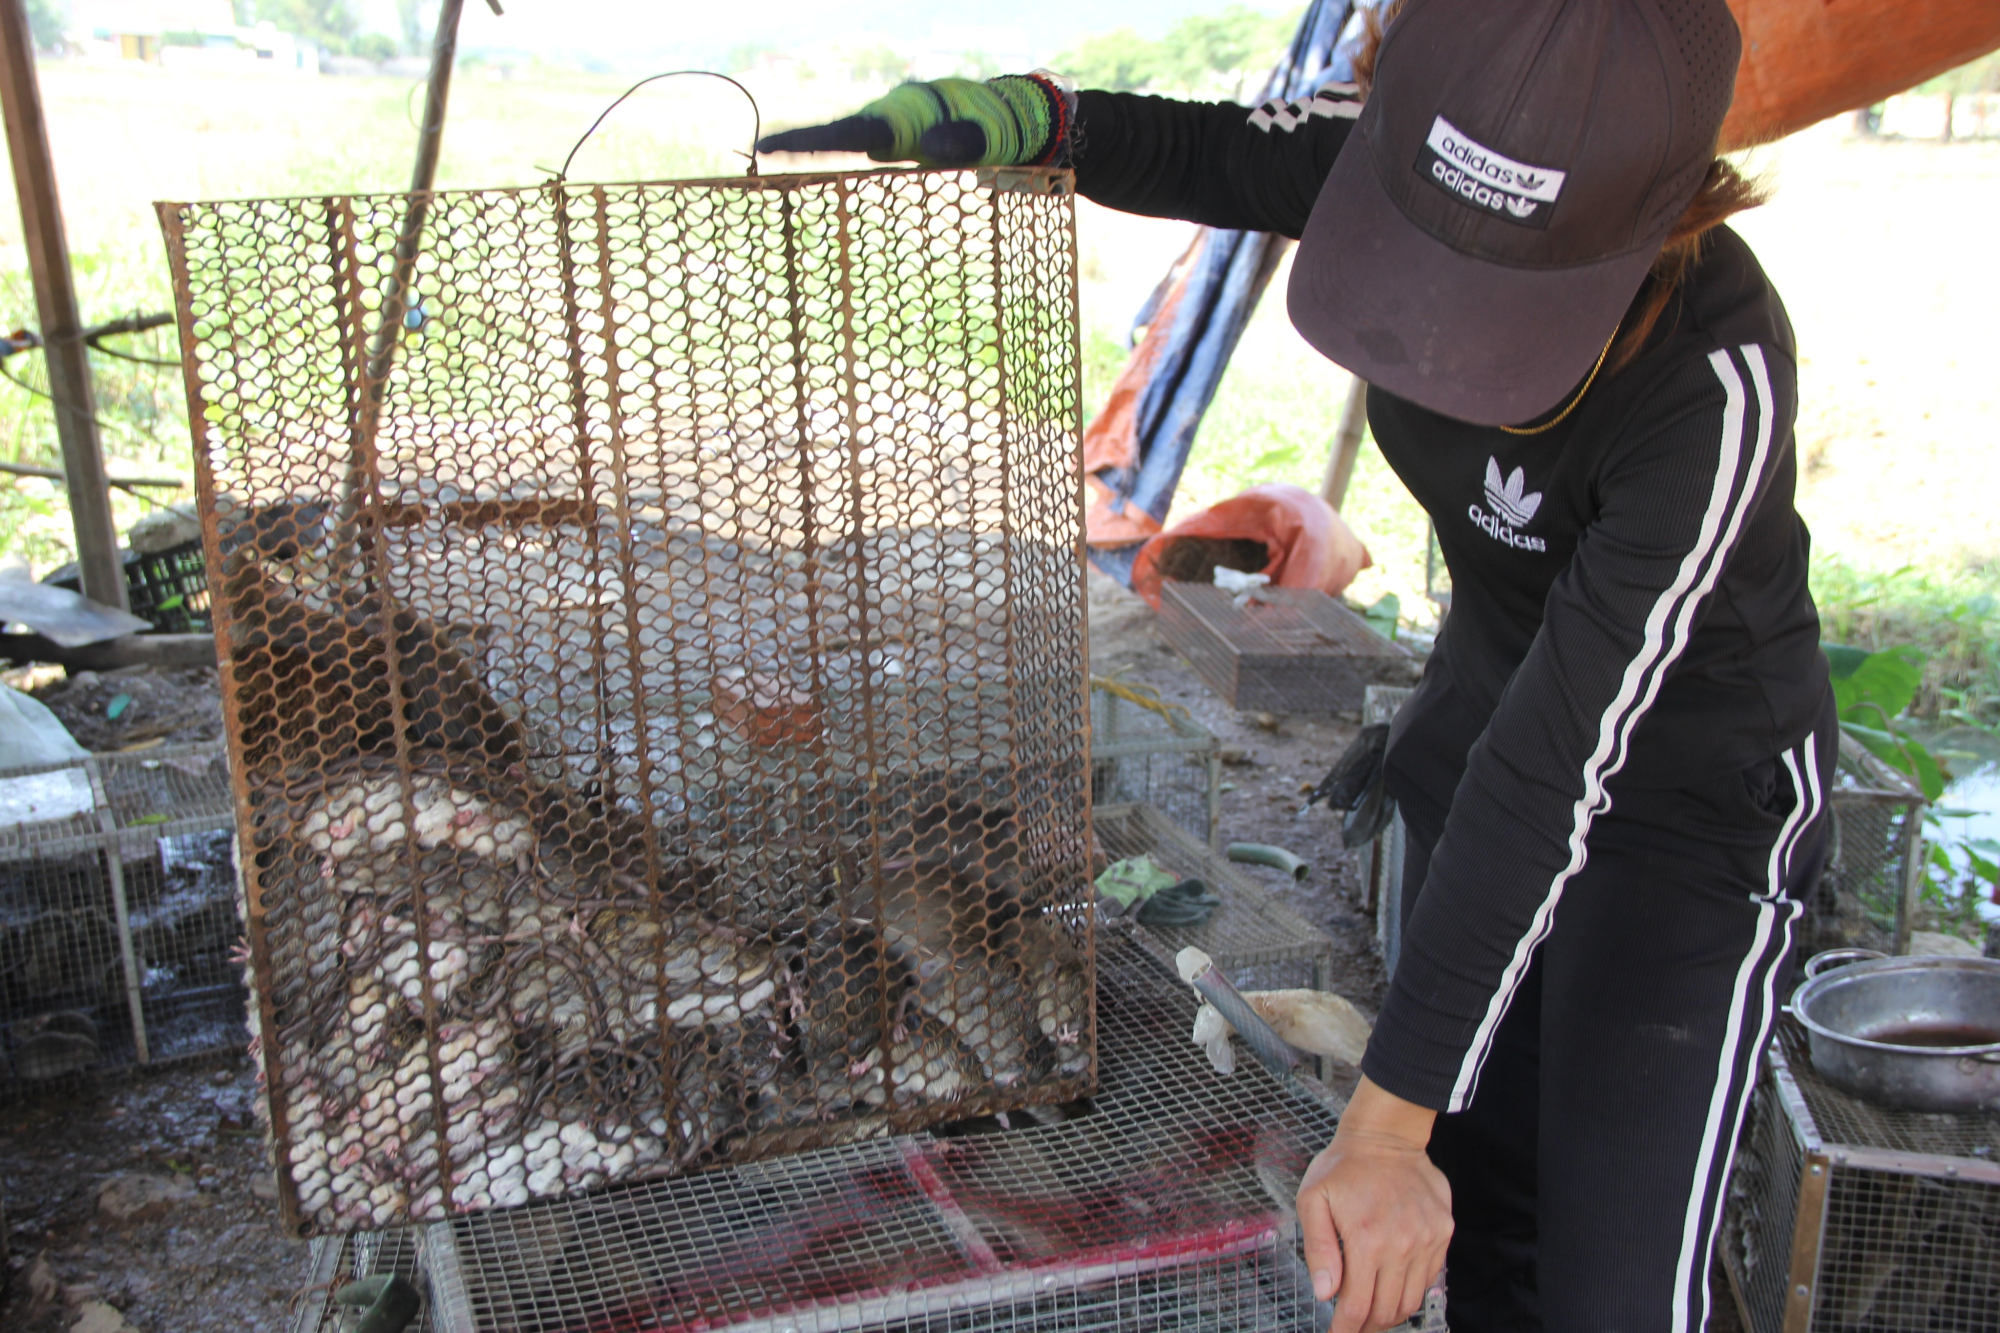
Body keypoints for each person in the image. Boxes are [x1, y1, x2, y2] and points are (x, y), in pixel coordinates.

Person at [763, 1, 1835, 1330]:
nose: (1456, 340)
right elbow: (1209, 153)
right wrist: (1042, 122)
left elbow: (1557, 769)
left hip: (1683, 809)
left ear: (1655, 216)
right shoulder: (1410, 154)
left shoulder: (1710, 388)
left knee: (1618, 1283)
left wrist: (1381, 1133)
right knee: (1486, 1211)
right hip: (1486, 724)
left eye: (1513, 294)